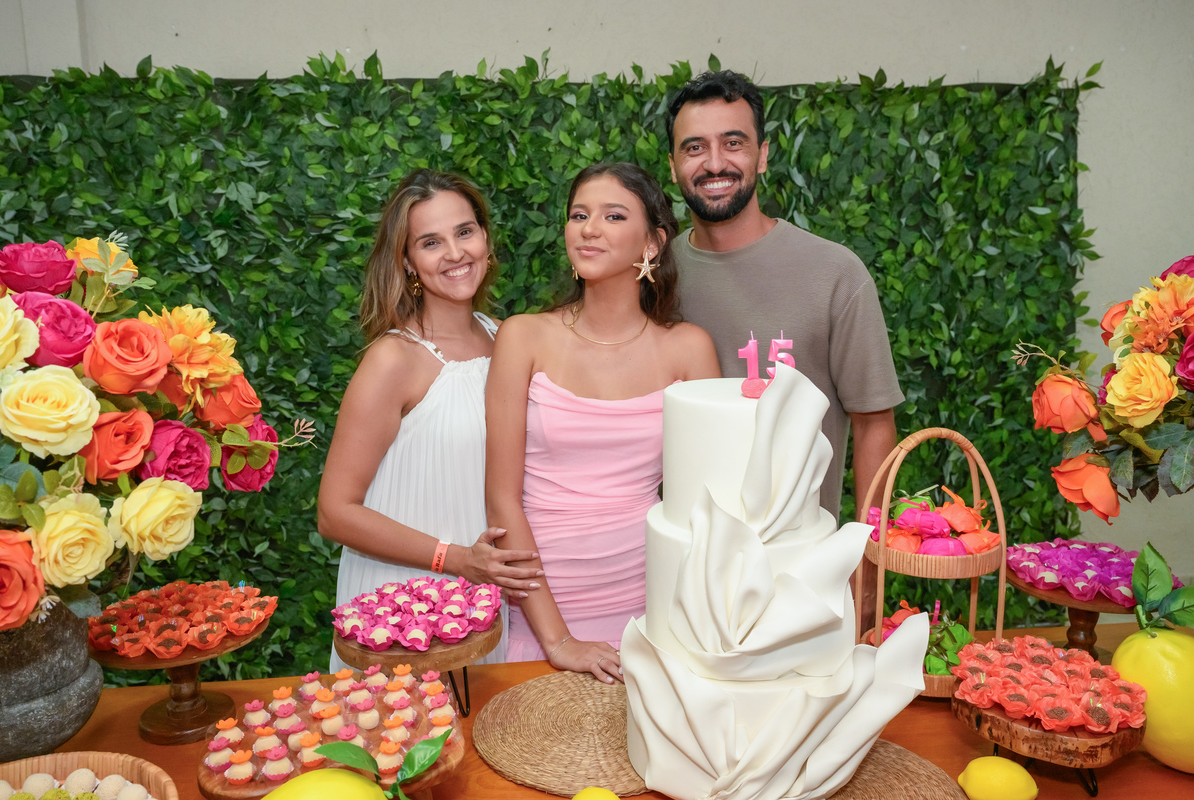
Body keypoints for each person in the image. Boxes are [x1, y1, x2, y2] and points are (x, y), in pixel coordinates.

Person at [486, 162, 720, 683]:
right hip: (540, 609)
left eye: (613, 216)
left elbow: (708, 504)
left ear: (653, 243)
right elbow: (501, 501)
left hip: (650, 604)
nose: (589, 228)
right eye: (579, 215)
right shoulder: (523, 337)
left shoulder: (689, 349)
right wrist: (558, 640)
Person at [318, 169, 541, 670]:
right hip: (403, 607)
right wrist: (457, 559)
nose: (455, 253)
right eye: (431, 242)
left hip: (486, 599)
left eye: (465, 231)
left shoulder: (508, 338)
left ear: (485, 238)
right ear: (408, 261)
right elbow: (335, 512)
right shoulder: (394, 360)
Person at [665, 70, 903, 522]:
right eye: (694, 148)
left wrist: (869, 551)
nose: (714, 164)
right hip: (681, 546)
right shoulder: (654, 276)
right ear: (673, 165)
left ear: (762, 156)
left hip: (801, 550)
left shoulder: (835, 273)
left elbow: (874, 423)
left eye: (733, 143)